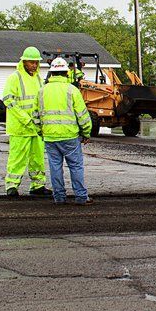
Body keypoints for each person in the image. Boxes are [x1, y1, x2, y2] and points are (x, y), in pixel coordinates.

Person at [35, 57, 93, 205]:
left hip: (50, 137)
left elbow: (35, 116)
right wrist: (86, 133)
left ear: (51, 73)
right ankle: (81, 197)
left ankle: (59, 198)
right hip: (70, 136)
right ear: (67, 73)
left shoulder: (42, 91)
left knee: (55, 167)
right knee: (76, 166)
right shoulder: (71, 90)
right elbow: (82, 115)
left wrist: (41, 132)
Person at [2, 46, 51, 197]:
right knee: (17, 158)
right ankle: (11, 186)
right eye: (31, 62)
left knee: (37, 158)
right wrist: (25, 118)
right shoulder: (14, 78)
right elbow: (8, 100)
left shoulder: (38, 79)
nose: (34, 65)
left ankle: (38, 185)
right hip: (20, 127)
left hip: (35, 127)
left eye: (36, 62)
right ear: (24, 62)